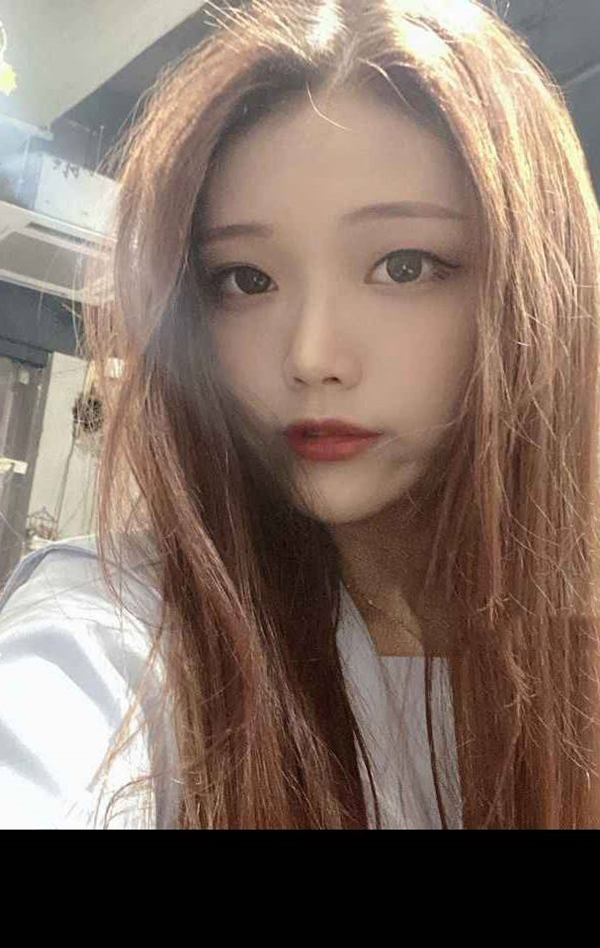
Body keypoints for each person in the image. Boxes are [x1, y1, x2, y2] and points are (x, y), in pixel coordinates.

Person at [0, 0, 599, 829]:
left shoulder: (571, 658)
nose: (310, 357)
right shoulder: (121, 625)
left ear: (535, 292)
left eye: (403, 266)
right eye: (246, 280)